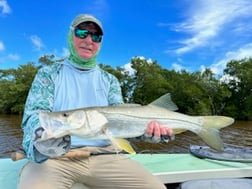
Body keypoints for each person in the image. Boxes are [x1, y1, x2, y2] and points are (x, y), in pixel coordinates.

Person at [18, 14, 173, 189]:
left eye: (96, 36)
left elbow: (121, 125)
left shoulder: (110, 80)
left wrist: (149, 134)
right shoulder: (49, 74)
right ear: (71, 36)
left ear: (100, 43)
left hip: (107, 156)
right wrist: (40, 138)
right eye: (82, 32)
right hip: (55, 158)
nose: (89, 40)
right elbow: (34, 116)